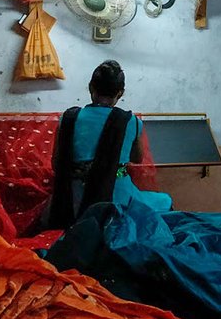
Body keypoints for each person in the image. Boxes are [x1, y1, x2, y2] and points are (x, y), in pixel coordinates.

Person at [45, 60, 172, 230]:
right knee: (163, 201)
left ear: (91, 88)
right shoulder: (130, 122)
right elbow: (137, 158)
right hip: (116, 197)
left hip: (71, 202)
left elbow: (56, 164)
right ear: (120, 93)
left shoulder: (68, 118)